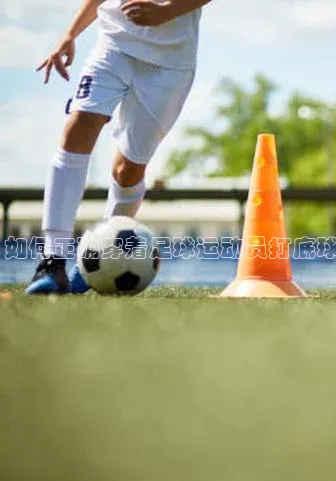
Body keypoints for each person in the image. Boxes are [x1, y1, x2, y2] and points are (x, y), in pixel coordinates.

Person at [27, 0, 212, 295]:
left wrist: (167, 11)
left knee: (128, 170)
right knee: (78, 128)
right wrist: (70, 34)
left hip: (171, 63)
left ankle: (94, 268)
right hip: (113, 45)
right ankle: (53, 262)